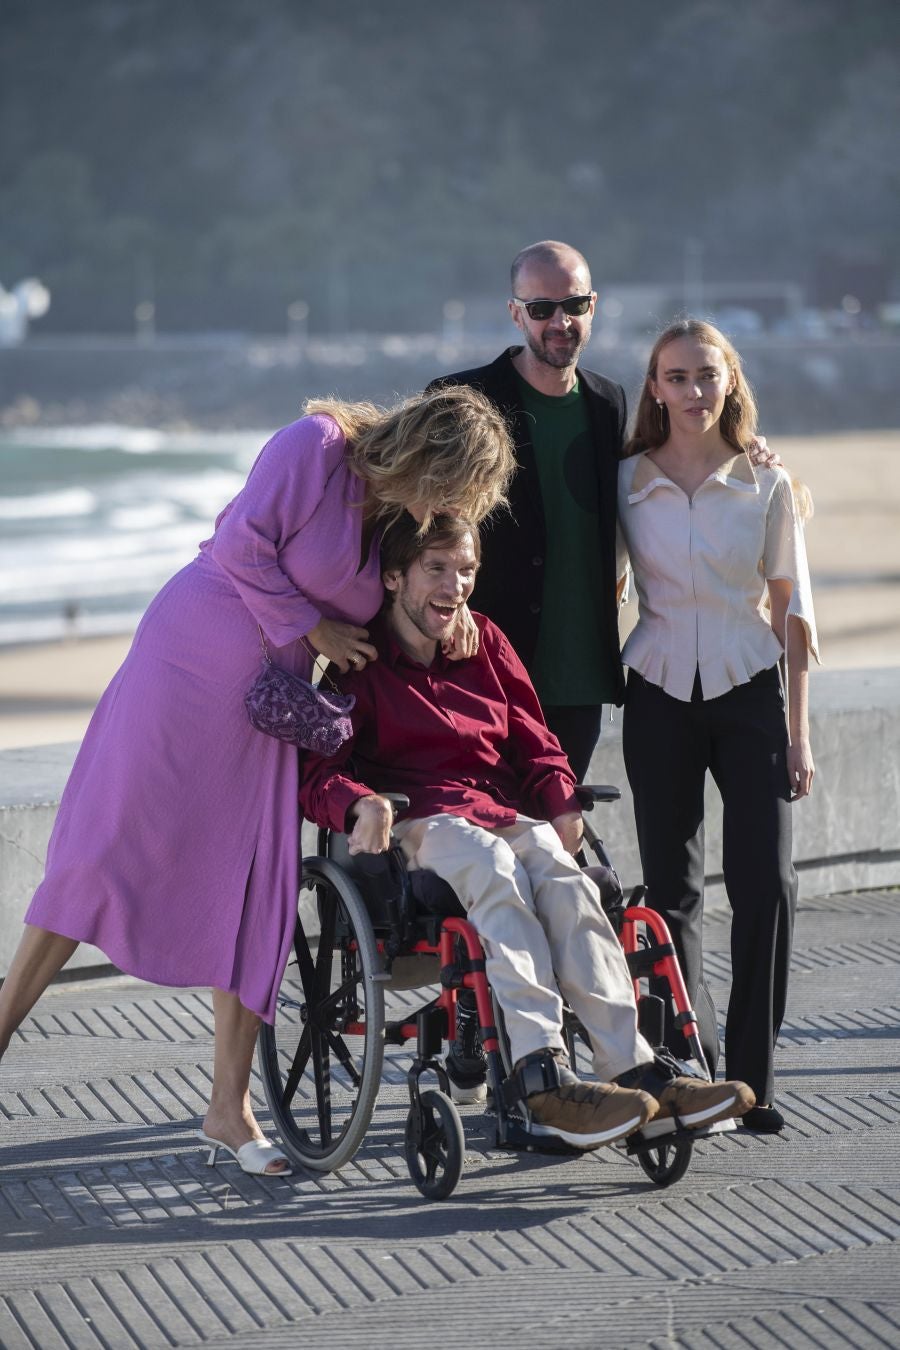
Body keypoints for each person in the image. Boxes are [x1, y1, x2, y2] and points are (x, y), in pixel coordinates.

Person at [0, 387, 515, 1176]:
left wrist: (457, 615)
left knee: (257, 888)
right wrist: (311, 626)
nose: (446, 507)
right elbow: (238, 542)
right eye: (452, 488)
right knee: (99, 856)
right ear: (426, 456)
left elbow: (400, 595)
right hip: (188, 661)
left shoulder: (393, 517)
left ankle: (229, 1110)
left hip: (270, 703)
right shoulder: (314, 446)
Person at [298, 514, 755, 1149]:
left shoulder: (485, 641)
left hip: (499, 812)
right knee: (490, 859)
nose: (455, 586)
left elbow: (535, 744)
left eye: (466, 571)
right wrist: (359, 803)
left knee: (554, 864)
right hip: (418, 824)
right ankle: (540, 1072)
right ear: (395, 576)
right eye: (437, 569)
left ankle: (634, 1066)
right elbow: (316, 773)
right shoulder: (361, 662)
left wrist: (561, 801)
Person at [617, 318, 819, 1134]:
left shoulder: (766, 484)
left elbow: (794, 614)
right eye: (676, 377)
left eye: (706, 375)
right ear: (654, 388)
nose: (693, 392)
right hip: (657, 692)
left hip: (749, 692)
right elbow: (601, 586)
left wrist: (799, 735)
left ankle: (753, 1081)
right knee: (670, 894)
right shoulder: (626, 481)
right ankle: (688, 1074)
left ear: (729, 380)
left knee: (767, 883)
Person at [428, 240, 623, 780]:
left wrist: (748, 451)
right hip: (481, 666)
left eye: (574, 305)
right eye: (541, 309)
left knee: (556, 841)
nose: (560, 322)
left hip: (581, 674)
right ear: (516, 314)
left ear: (593, 306)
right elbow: (417, 524)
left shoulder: (611, 403)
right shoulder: (460, 399)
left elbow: (664, 471)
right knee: (490, 846)